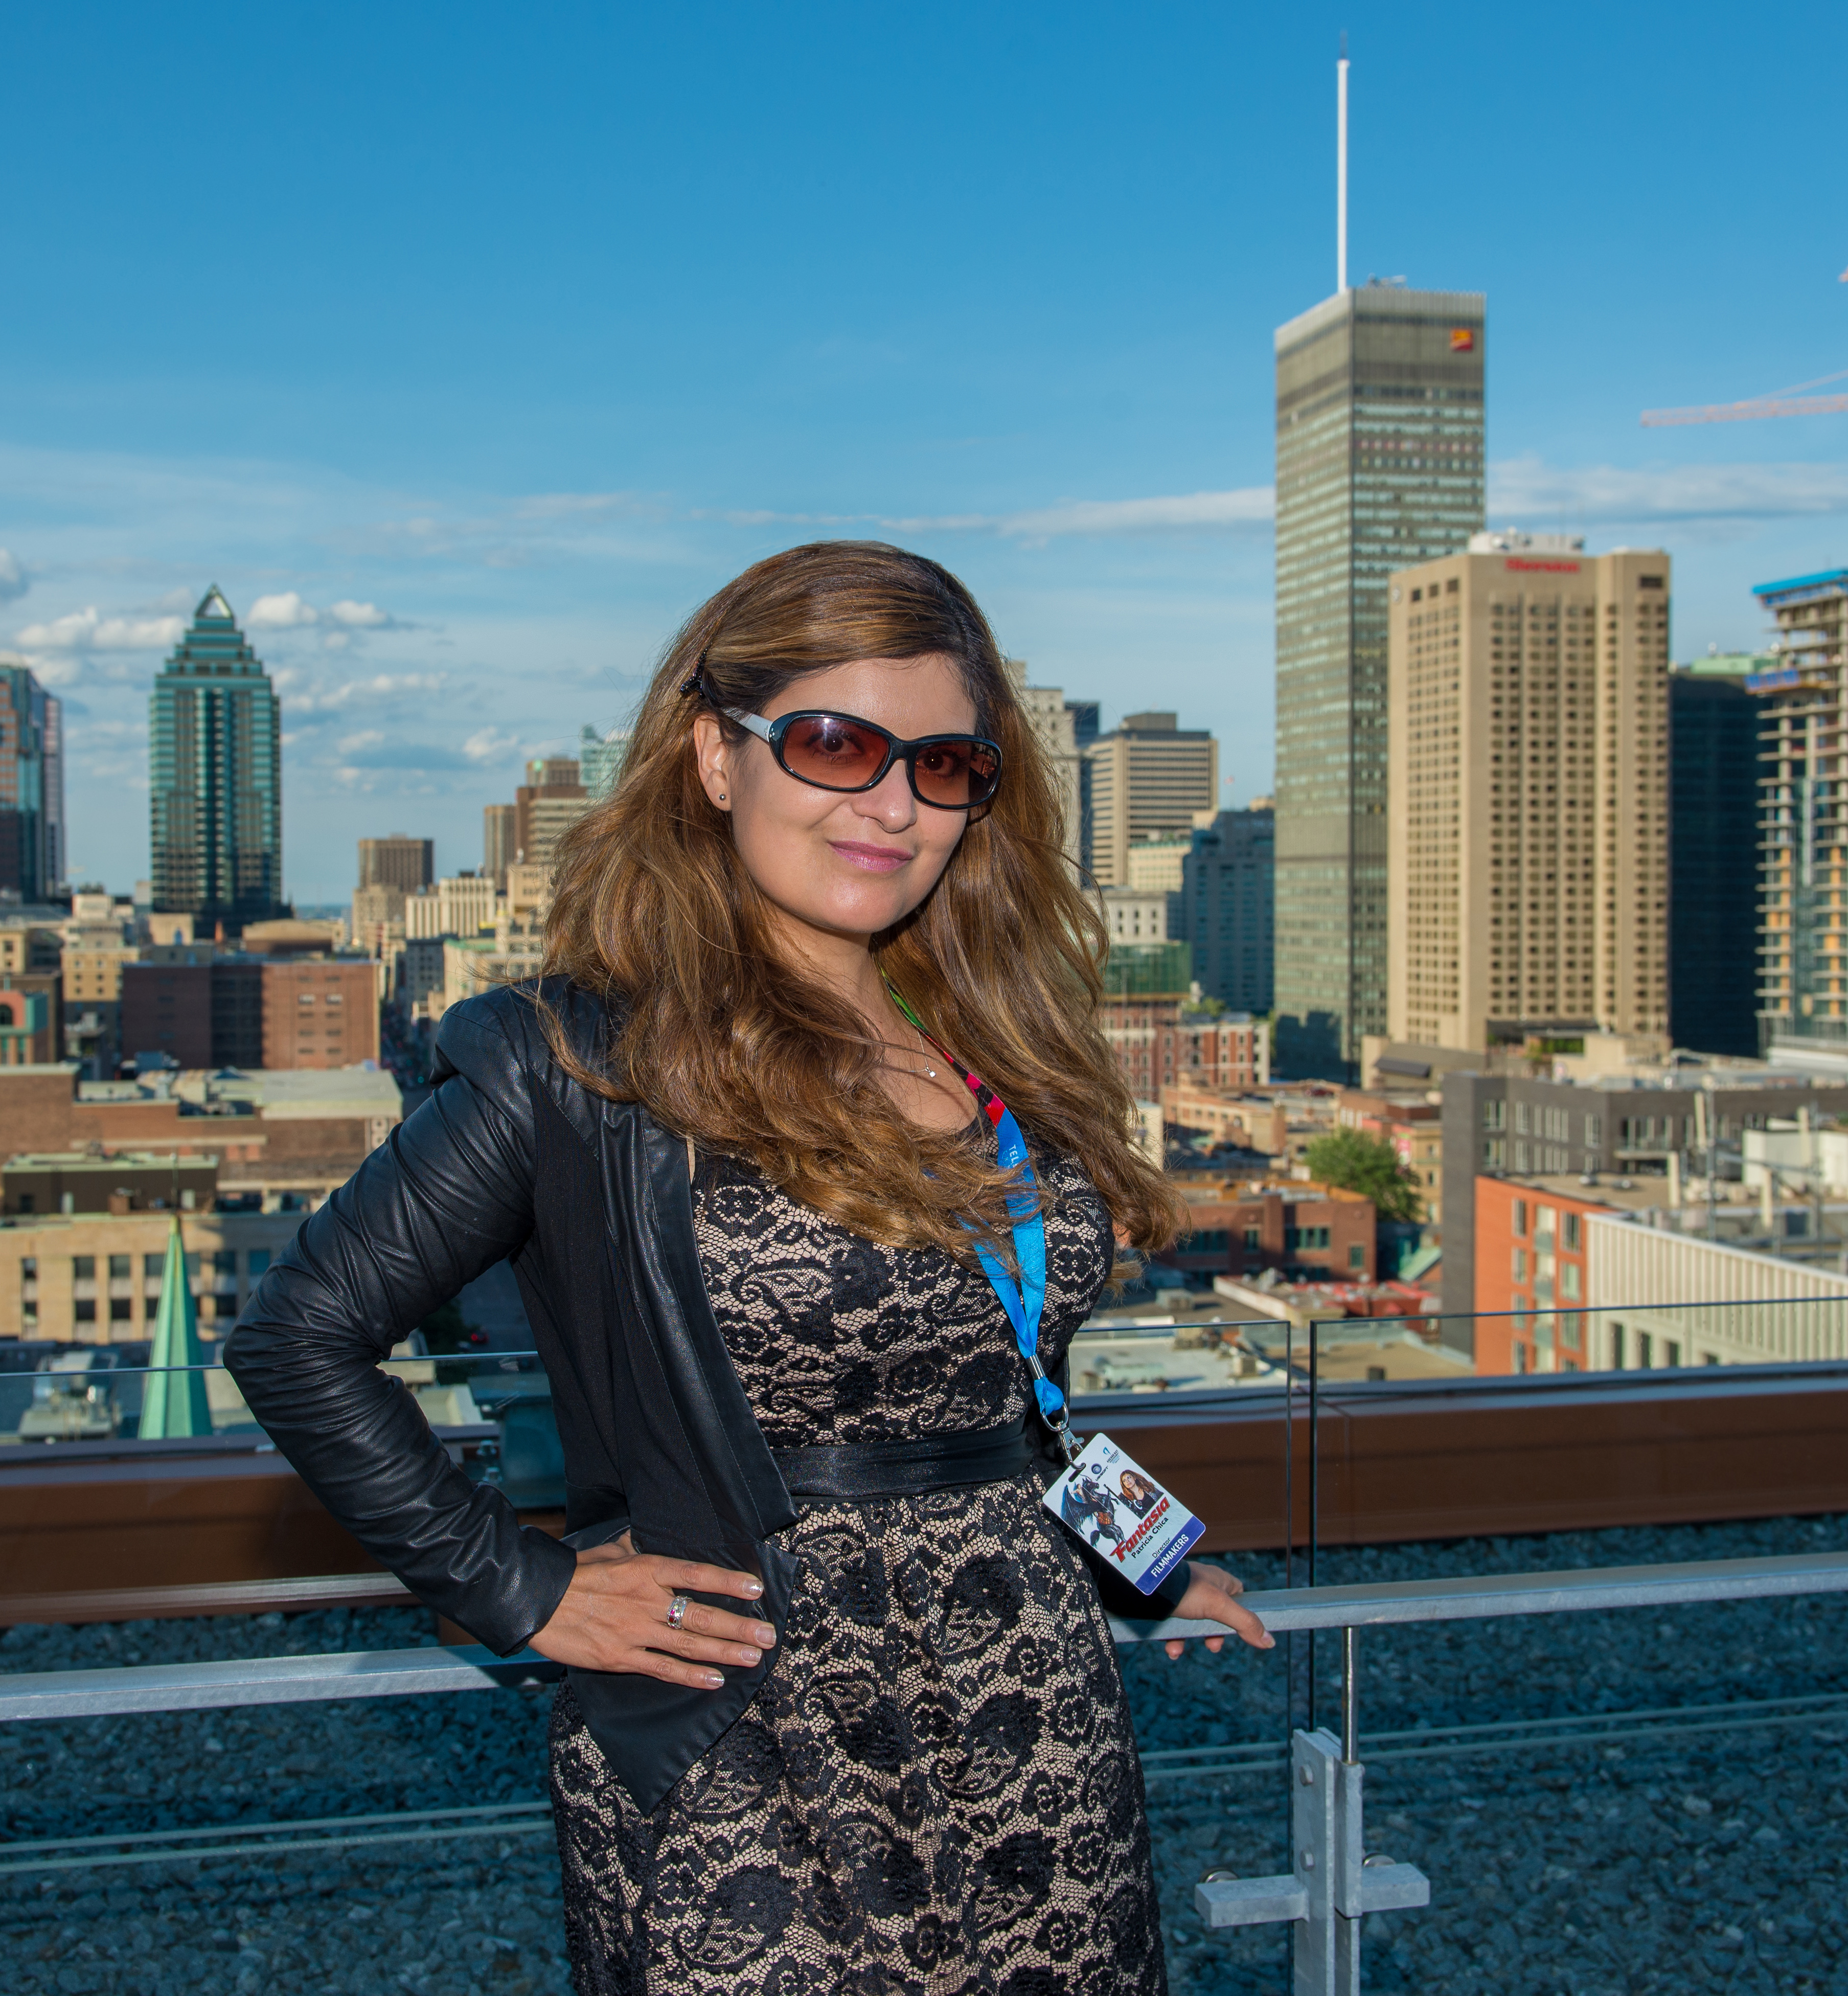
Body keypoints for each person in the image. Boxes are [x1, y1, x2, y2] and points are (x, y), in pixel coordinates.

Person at [227, 541, 1271, 1995]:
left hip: (1032, 1713)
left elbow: (1010, 1388)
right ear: (717, 757)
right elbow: (300, 1338)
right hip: (747, 1732)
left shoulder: (993, 1050)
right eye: (839, 745)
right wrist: (517, 1589)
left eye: (945, 765)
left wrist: (1150, 1565)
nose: (893, 806)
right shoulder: (580, 1064)